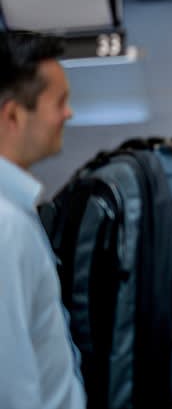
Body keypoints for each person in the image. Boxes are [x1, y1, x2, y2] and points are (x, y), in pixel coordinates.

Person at [0, 31, 86, 409]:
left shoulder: (17, 211)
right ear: (14, 115)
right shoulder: (6, 227)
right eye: (60, 102)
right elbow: (13, 385)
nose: (68, 114)